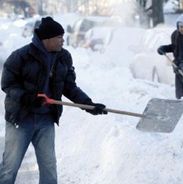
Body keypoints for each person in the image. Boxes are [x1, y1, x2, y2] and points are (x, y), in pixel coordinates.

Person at [0, 16, 107, 184]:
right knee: (9, 168)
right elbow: (7, 84)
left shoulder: (63, 57)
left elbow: (70, 87)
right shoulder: (21, 56)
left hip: (45, 120)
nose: (62, 40)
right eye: (59, 37)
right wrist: (27, 98)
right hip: (21, 118)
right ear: (46, 39)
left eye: (62, 37)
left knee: (49, 168)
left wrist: (89, 105)